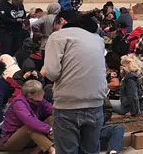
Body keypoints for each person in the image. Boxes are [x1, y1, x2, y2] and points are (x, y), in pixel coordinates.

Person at [43, 10, 107, 154]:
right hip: (96, 104)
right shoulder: (97, 39)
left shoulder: (58, 37)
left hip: (67, 105)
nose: (54, 29)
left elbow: (52, 73)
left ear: (63, 21)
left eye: (55, 25)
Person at [2, 80, 55, 153]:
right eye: (40, 92)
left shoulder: (37, 100)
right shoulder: (19, 103)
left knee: (53, 118)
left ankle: (56, 142)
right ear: (29, 94)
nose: (43, 93)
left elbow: (50, 109)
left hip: (32, 137)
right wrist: (49, 129)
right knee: (29, 127)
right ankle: (52, 150)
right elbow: (30, 121)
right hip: (13, 140)